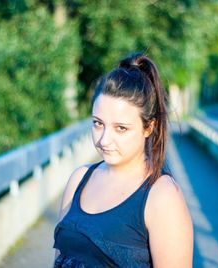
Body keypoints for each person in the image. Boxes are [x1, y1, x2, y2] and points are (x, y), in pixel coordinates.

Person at [53, 52, 193, 267]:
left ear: (149, 127)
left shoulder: (162, 196)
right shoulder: (79, 179)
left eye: (121, 128)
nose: (104, 140)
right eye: (98, 123)